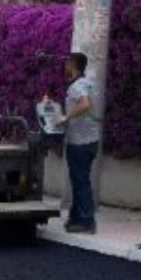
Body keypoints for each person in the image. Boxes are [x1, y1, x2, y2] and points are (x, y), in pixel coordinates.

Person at [56, 52, 99, 234]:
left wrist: (66, 117)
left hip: (80, 143)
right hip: (90, 140)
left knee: (80, 181)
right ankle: (75, 218)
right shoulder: (89, 83)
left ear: (72, 65)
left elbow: (85, 104)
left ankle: (87, 222)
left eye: (67, 63)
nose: (64, 66)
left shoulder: (77, 86)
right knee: (79, 179)